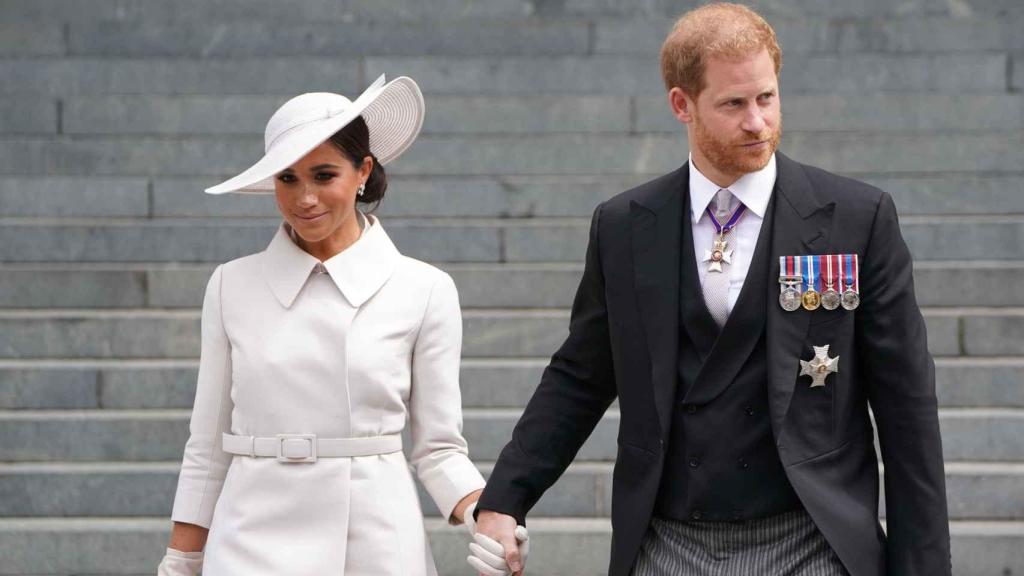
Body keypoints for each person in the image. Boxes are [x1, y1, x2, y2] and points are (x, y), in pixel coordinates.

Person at [471, 4, 951, 576]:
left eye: (767, 98)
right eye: (734, 104)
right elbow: (580, 374)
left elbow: (907, 405)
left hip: (812, 538)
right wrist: (504, 498)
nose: (758, 123)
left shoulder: (856, 217)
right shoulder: (625, 226)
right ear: (682, 104)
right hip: (667, 540)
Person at [155, 75, 487, 575]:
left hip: (375, 538)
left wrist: (489, 518)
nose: (304, 198)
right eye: (287, 178)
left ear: (362, 172)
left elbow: (439, 449)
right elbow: (206, 444)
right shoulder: (231, 286)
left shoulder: (424, 289)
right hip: (250, 536)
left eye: (324, 175)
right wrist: (182, 558)